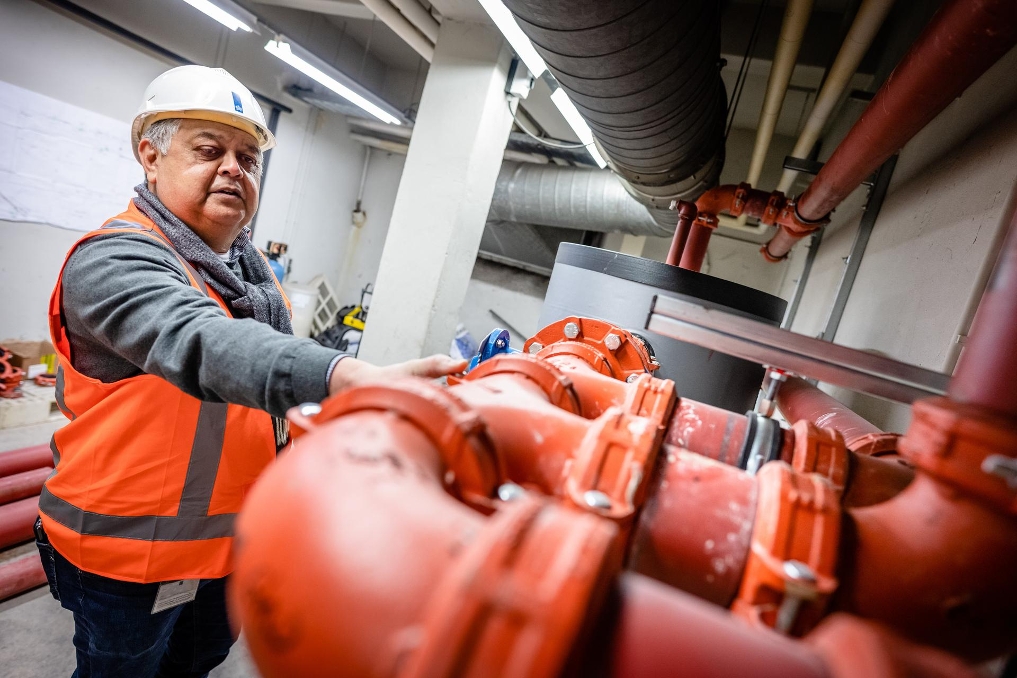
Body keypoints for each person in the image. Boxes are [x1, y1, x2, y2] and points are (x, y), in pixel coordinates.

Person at [34, 65, 465, 678]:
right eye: (209, 150)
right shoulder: (113, 260)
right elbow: (202, 342)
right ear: (150, 157)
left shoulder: (250, 278)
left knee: (193, 667)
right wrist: (345, 375)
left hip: (231, 552)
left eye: (248, 158)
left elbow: (264, 409)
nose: (234, 169)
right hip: (127, 558)